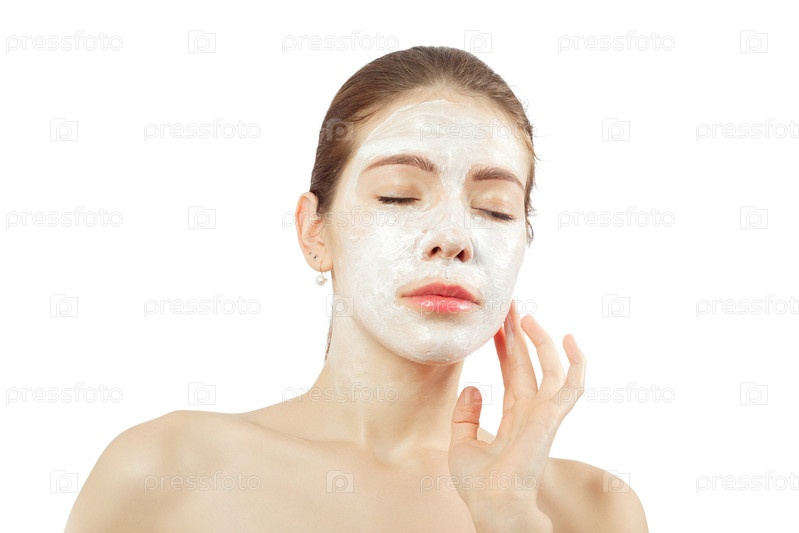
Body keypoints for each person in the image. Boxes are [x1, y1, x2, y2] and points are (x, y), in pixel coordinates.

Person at [65, 46, 648, 532]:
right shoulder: (167, 470)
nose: (453, 237)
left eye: (494, 208)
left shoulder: (591, 510)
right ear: (314, 233)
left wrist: (509, 516)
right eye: (398, 195)